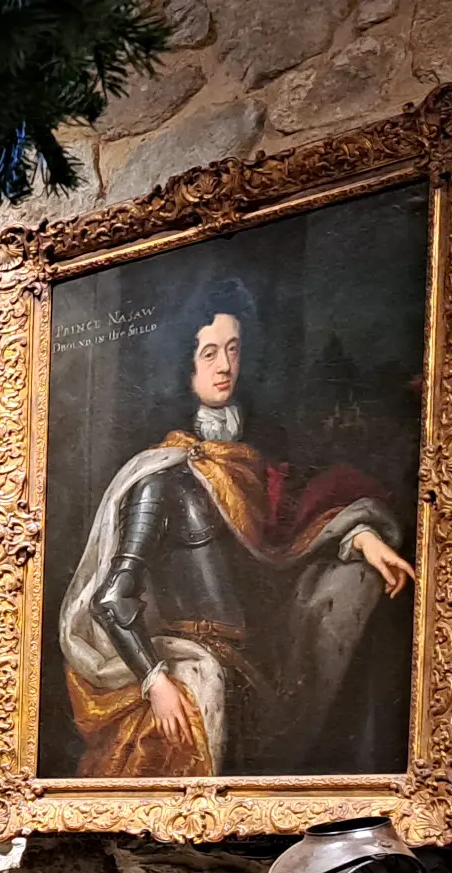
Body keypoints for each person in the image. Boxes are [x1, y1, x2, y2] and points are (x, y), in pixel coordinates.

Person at [55, 277, 416, 778]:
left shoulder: (249, 466)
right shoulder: (161, 479)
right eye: (208, 353)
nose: (225, 365)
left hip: (253, 668)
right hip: (197, 665)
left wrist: (361, 535)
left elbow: (290, 530)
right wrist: (155, 680)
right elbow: (112, 599)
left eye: (233, 349)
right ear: (182, 366)